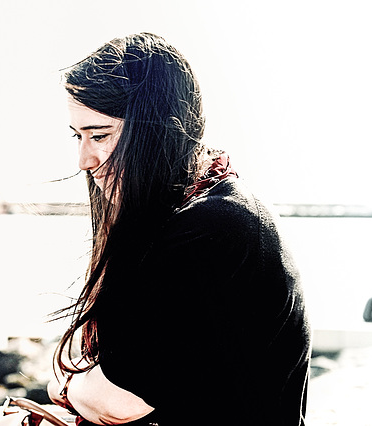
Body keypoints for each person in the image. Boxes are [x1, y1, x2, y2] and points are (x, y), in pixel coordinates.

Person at [47, 33, 311, 426]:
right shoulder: (211, 207)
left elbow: (119, 400)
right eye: (78, 136)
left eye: (99, 135)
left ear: (158, 129)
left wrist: (71, 388)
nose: (85, 159)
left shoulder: (212, 229)